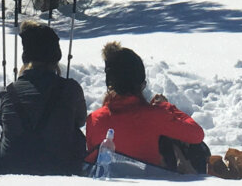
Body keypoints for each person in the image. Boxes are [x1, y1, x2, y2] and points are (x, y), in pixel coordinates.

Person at [84, 42, 206, 170]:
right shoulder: (156, 116)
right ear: (141, 82)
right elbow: (197, 135)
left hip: (110, 185)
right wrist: (166, 107)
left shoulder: (93, 120)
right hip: (152, 185)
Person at [0, 19, 87, 175]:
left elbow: (4, 123)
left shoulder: (9, 92)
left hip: (11, 168)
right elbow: (80, 121)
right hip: (60, 168)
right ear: (55, 58)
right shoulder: (70, 88)